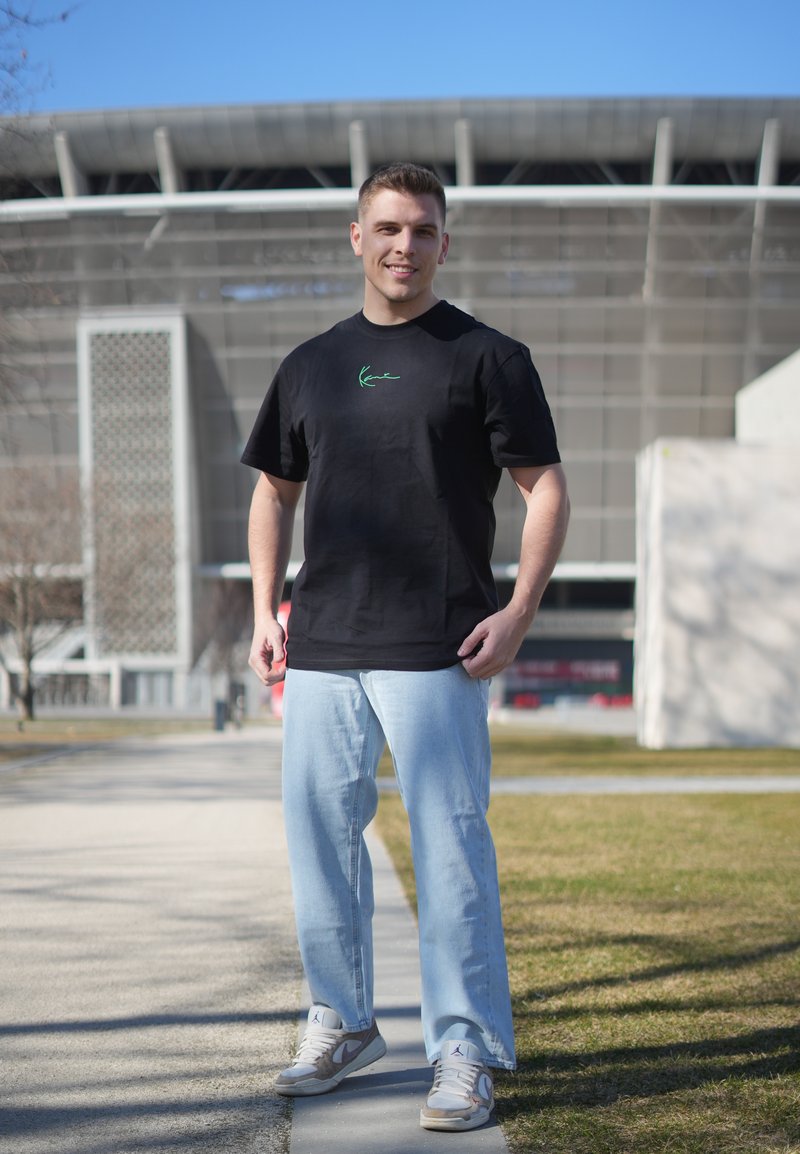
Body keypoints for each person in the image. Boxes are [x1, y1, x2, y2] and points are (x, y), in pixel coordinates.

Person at [242, 162, 569, 1133]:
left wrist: (518, 610)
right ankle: (342, 1022)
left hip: (438, 645)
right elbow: (272, 491)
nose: (402, 245)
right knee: (318, 846)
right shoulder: (309, 365)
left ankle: (462, 1048)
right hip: (322, 644)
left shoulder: (486, 357)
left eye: (421, 230)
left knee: (452, 848)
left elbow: (543, 485)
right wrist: (266, 607)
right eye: (386, 227)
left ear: (443, 242)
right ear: (356, 236)